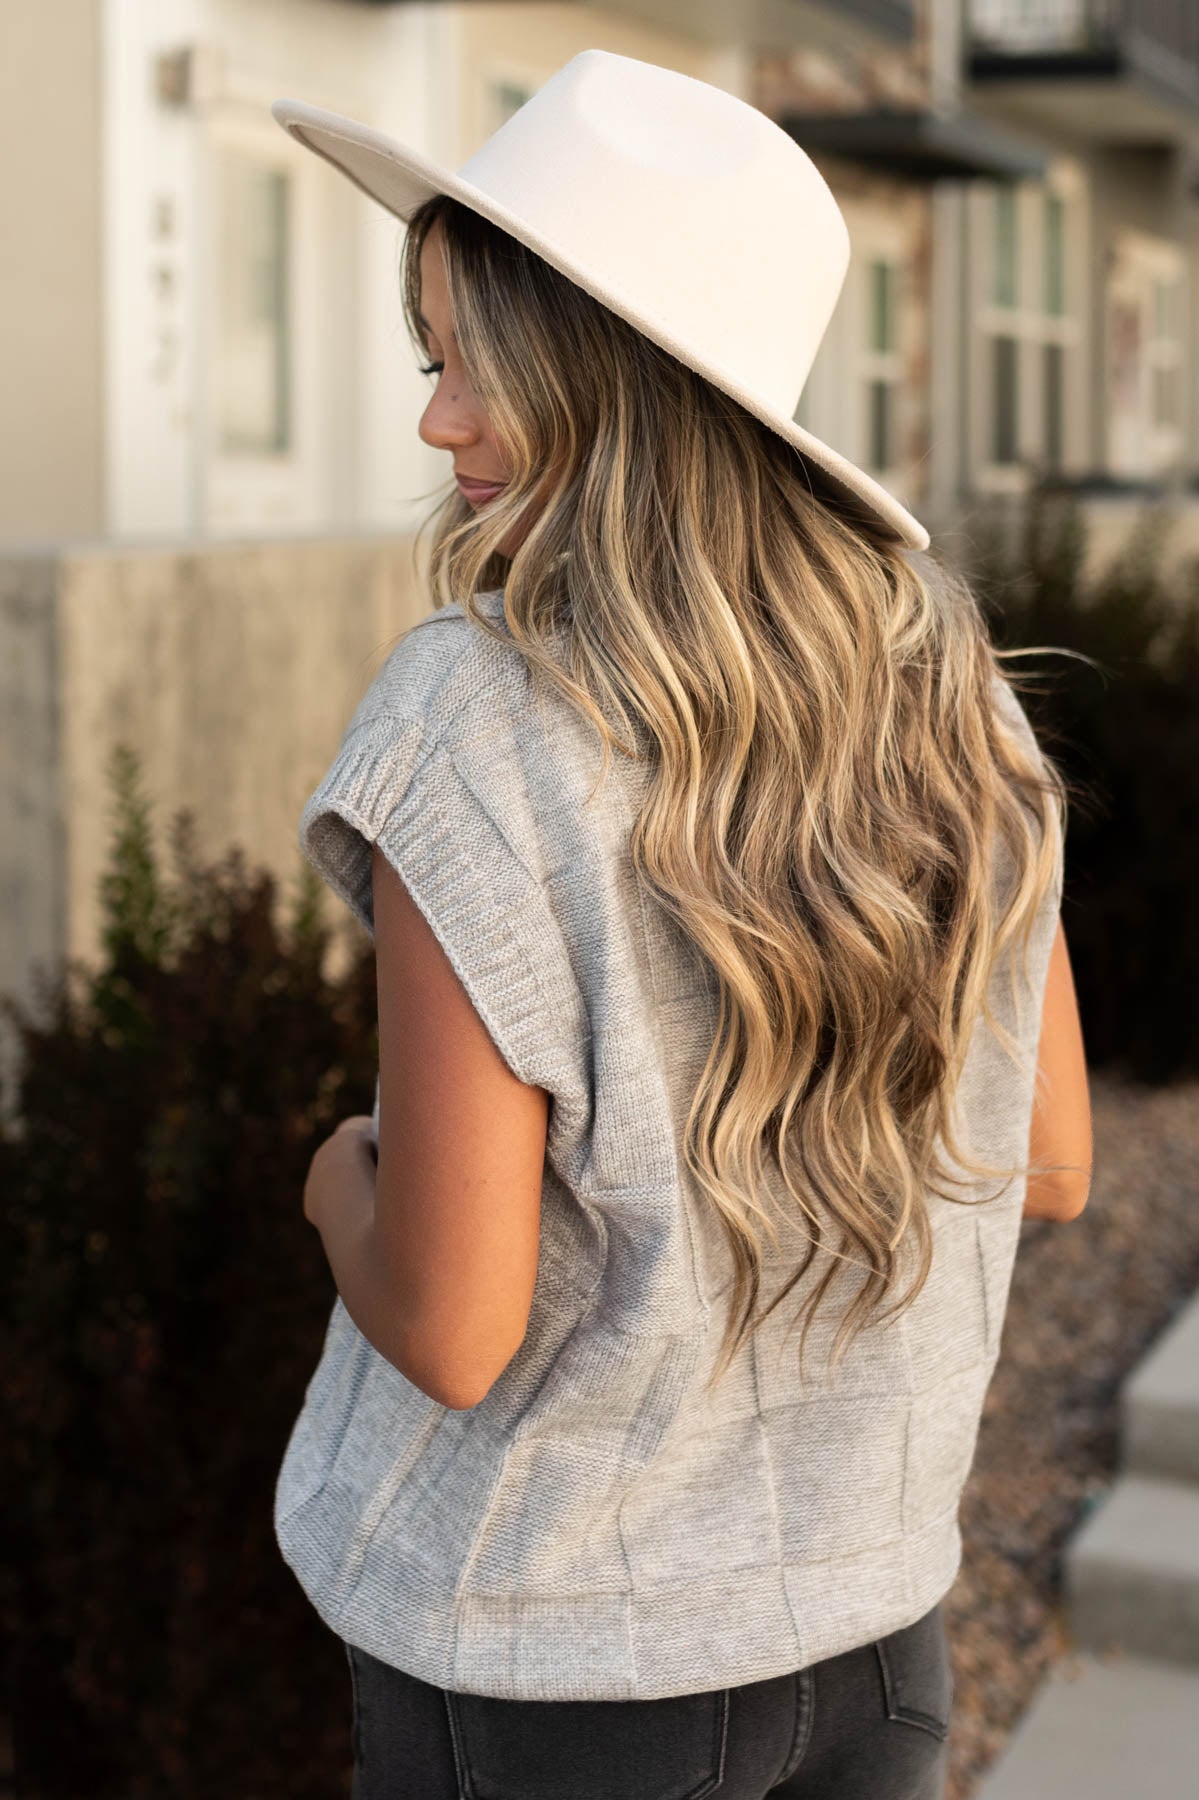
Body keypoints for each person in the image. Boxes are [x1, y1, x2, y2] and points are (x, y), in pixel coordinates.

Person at [271, 50, 1092, 1800]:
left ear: (618, 385)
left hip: (545, 1676)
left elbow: (454, 1322)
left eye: (479, 364)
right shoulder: (961, 702)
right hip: (872, 1649)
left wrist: (336, 1176)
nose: (436, 420)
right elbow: (1048, 1160)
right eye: (434, 360)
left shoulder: (473, 722)